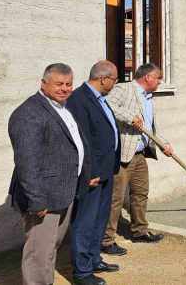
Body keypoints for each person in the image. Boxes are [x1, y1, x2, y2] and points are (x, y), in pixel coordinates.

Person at [8, 63, 91, 285]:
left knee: (49, 250)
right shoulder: (29, 113)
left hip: (62, 193)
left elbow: (73, 146)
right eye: (59, 84)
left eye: (68, 84)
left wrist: (85, 174)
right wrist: (37, 201)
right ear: (43, 84)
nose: (64, 89)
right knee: (39, 254)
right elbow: (27, 163)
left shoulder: (62, 107)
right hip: (44, 199)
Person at [101, 63, 173, 254]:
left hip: (140, 154)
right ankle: (107, 240)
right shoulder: (124, 88)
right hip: (123, 154)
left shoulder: (149, 98)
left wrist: (162, 144)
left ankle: (139, 231)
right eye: (158, 78)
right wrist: (129, 117)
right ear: (147, 77)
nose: (160, 82)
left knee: (140, 194)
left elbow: (150, 129)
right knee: (116, 199)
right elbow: (106, 105)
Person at [67, 61, 121, 284]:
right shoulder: (79, 100)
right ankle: (82, 272)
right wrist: (89, 172)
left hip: (106, 171)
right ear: (103, 79)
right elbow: (83, 140)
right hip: (93, 174)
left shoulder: (100, 100)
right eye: (114, 80)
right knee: (85, 222)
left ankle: (94, 258)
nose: (115, 84)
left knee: (99, 220)